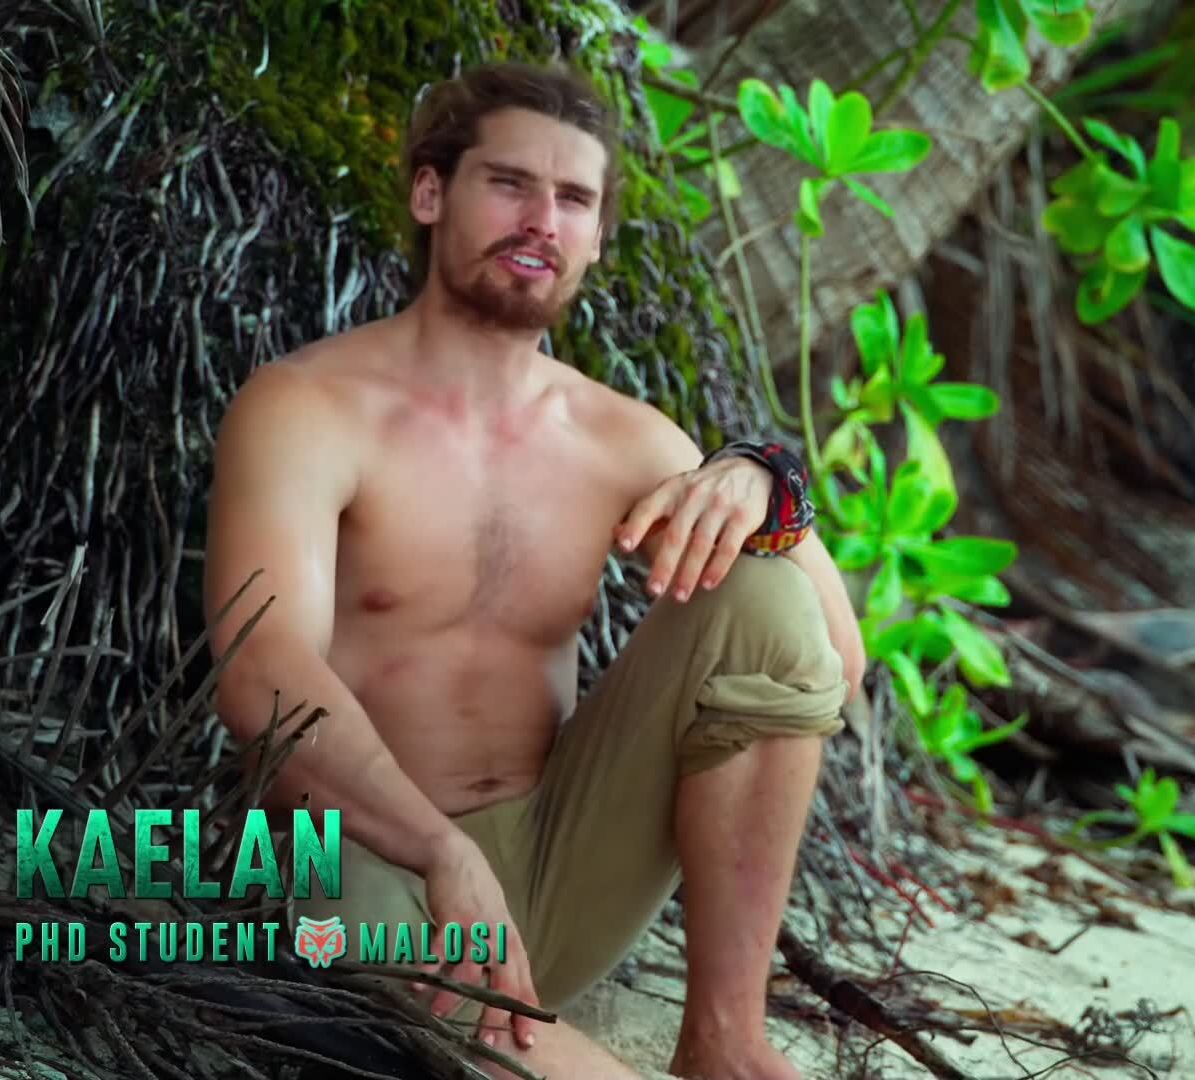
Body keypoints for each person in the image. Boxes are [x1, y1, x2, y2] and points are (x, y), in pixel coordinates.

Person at [200, 59, 867, 1080]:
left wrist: (763, 483)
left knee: (763, 582)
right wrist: (440, 852)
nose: (542, 221)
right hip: (368, 868)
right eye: (510, 183)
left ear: (597, 239)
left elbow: (826, 662)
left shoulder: (623, 439)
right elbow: (260, 670)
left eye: (574, 200)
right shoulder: (307, 408)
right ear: (432, 194)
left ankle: (725, 1040)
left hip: (557, 870)